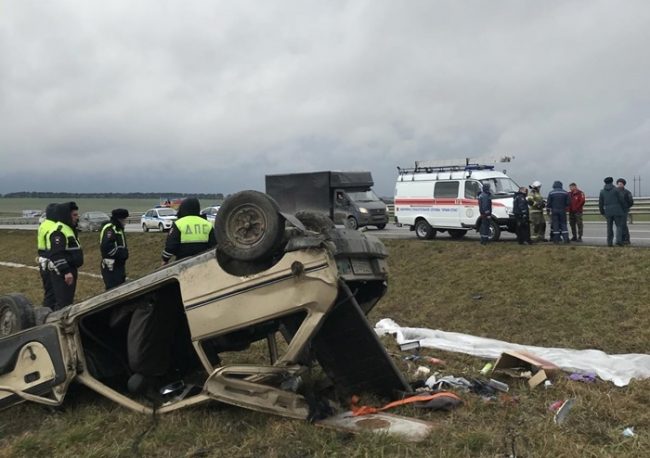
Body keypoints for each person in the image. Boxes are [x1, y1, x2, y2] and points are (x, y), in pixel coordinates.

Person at [47, 202, 83, 310]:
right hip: (63, 273)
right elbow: (56, 254)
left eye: (77, 214)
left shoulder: (69, 229)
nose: (77, 217)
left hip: (70, 270)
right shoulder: (59, 231)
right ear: (66, 216)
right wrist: (66, 271)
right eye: (74, 215)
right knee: (63, 303)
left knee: (68, 301)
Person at [161, 197, 216, 265]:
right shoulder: (207, 224)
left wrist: (165, 259)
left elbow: (170, 246)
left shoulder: (179, 223)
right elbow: (215, 246)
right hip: (203, 263)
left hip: (182, 263)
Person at [100, 208, 130, 290]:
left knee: (121, 288)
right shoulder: (110, 229)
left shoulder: (118, 229)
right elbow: (106, 248)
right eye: (124, 220)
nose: (125, 222)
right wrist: (121, 253)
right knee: (113, 290)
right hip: (111, 267)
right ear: (119, 219)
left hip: (119, 266)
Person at [36, 203, 58, 308]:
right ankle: (49, 313)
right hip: (50, 260)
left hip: (43, 259)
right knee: (54, 292)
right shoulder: (53, 226)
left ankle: (47, 309)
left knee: (49, 290)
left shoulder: (43, 225)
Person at [598, 177, 625, 246]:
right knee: (619, 226)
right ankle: (619, 241)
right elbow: (621, 200)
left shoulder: (602, 191)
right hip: (617, 210)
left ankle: (609, 242)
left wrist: (602, 212)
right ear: (612, 182)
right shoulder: (616, 190)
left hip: (608, 211)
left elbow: (600, 203)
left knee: (609, 227)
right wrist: (623, 208)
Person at [616, 178, 634, 245]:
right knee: (618, 226)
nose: (619, 185)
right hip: (617, 211)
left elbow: (631, 202)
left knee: (623, 225)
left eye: (620, 184)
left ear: (623, 184)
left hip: (624, 211)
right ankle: (620, 239)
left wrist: (626, 207)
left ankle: (626, 239)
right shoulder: (615, 192)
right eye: (618, 184)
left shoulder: (627, 192)